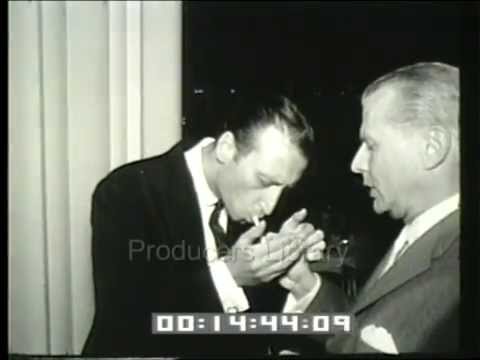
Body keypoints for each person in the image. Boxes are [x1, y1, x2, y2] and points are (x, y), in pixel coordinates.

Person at [82, 94, 325, 357]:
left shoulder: (257, 209)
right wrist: (229, 275)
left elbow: (254, 328)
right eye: (265, 181)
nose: (271, 205)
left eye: (283, 188)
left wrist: (287, 273)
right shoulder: (127, 192)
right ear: (227, 148)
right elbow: (126, 325)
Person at [280, 62, 460, 354]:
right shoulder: (418, 234)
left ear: (432, 146)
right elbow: (367, 328)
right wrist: (306, 285)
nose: (357, 163)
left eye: (371, 145)